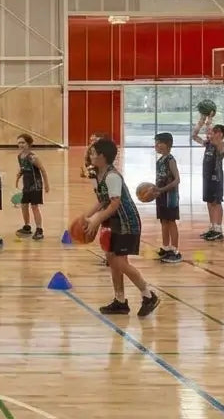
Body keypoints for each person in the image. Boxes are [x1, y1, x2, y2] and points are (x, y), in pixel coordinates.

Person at [82, 137, 161, 317]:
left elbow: (114, 204)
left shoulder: (112, 176)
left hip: (127, 222)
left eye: (93, 152)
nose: (90, 155)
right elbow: (102, 200)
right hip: (112, 221)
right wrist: (87, 217)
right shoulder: (97, 175)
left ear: (102, 156)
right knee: (112, 260)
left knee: (119, 262)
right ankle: (120, 301)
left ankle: (148, 295)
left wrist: (96, 220)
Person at [192, 118, 224, 242]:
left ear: (220, 134)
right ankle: (212, 227)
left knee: (216, 202)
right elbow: (194, 136)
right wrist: (201, 121)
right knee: (209, 201)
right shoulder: (208, 144)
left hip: (216, 178)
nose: (210, 134)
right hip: (206, 177)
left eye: (213, 132)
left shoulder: (220, 145)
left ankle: (218, 229)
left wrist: (209, 122)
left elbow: (216, 140)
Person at [152, 132, 182, 264]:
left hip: (170, 196)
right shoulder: (160, 160)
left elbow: (177, 180)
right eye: (156, 142)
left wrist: (162, 189)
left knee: (171, 221)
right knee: (163, 221)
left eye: (159, 142)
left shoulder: (170, 160)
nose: (156, 145)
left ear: (167, 144)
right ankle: (166, 247)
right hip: (161, 195)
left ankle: (175, 250)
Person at [13, 134, 49, 240]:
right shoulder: (19, 156)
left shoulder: (33, 157)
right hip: (27, 185)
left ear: (29, 144)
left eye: (23, 142)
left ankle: (39, 229)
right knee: (24, 205)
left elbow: (42, 170)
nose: (21, 145)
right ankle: (27, 226)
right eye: (19, 142)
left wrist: (46, 185)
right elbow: (23, 169)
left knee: (34, 207)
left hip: (35, 186)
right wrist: (18, 177)